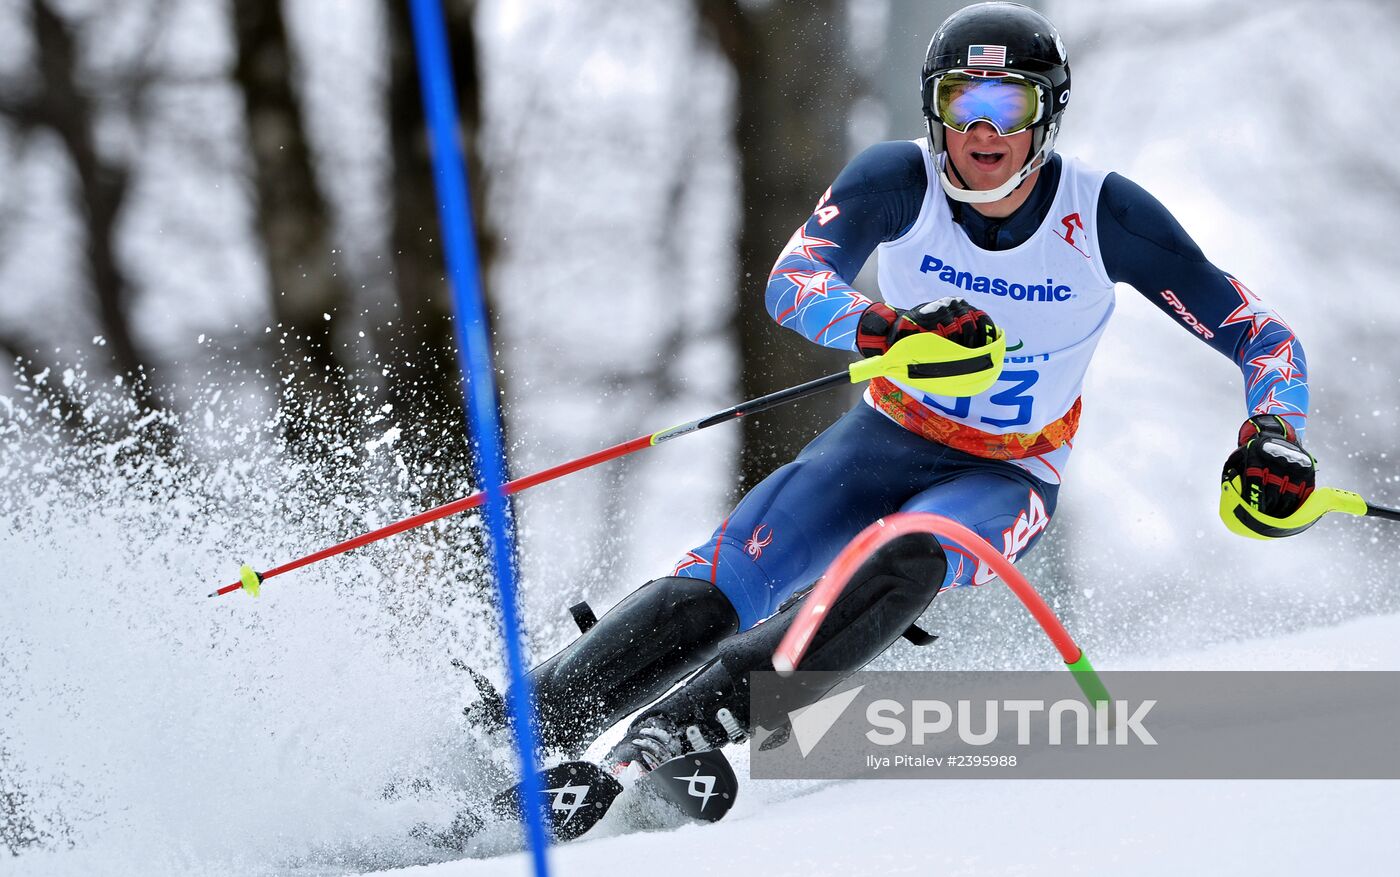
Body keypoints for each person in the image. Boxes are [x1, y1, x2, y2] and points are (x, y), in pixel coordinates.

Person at [495, 1, 1317, 780]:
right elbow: (792, 281)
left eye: (1008, 102)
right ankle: (506, 733)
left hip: (1004, 476)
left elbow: (1260, 334)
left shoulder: (1103, 216)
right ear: (936, 112)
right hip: (880, 444)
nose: (983, 130)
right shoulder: (899, 180)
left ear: (1047, 114)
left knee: (905, 555)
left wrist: (1275, 430)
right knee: (716, 588)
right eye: (961, 102)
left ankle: (681, 731)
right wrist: (887, 328)